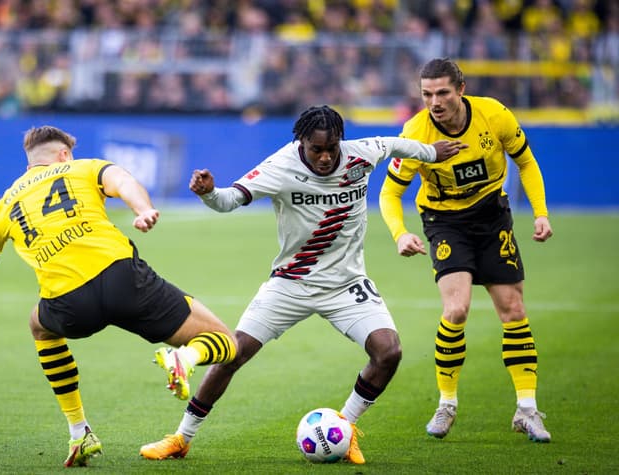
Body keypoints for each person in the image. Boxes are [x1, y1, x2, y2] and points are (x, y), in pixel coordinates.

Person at [140, 105, 466, 464]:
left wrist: (432, 152)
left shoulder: (361, 154)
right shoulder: (281, 166)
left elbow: (396, 145)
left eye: (332, 149)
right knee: (233, 353)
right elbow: (230, 200)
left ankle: (345, 427)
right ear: (302, 143)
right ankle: (181, 438)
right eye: (316, 150)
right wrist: (209, 193)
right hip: (290, 284)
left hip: (346, 284)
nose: (325, 157)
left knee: (388, 352)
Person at [0, 125, 237, 468]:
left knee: (39, 325)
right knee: (226, 342)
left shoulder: (5, 205)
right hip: (123, 280)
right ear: (63, 155)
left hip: (69, 305)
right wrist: (142, 210)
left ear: (29, 165)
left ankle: (78, 431)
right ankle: (185, 359)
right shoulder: (82, 167)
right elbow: (124, 181)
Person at [378, 58, 554, 443]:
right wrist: (399, 234)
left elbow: (526, 162)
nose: (434, 102)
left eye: (442, 92)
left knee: (513, 308)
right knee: (456, 309)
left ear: (461, 89)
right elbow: (389, 193)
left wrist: (540, 213)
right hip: (444, 222)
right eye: (427, 94)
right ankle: (447, 404)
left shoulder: (494, 115)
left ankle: (527, 410)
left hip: (492, 216)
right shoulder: (416, 133)